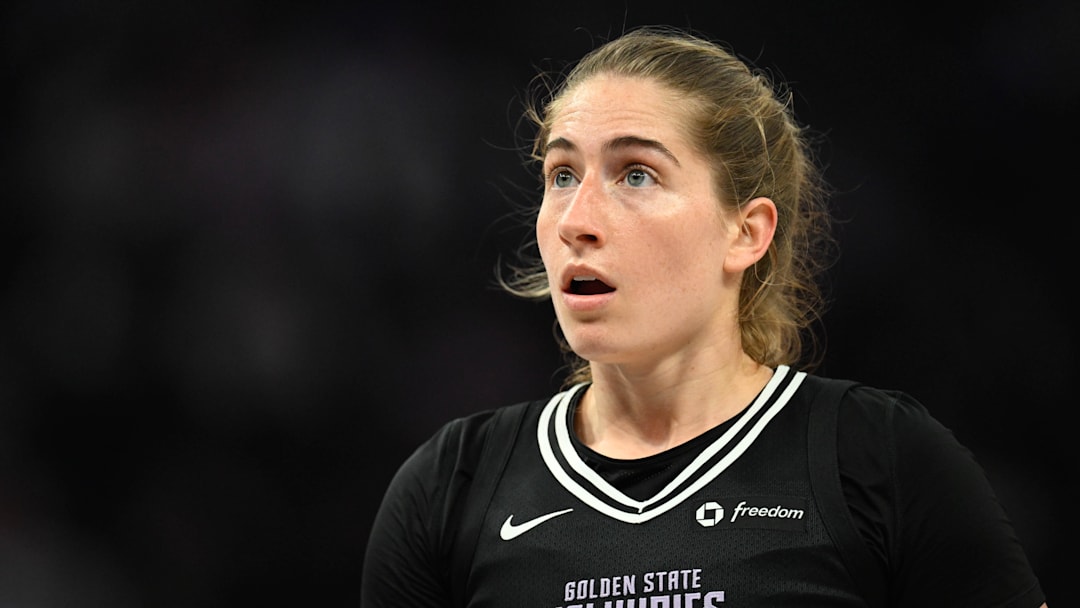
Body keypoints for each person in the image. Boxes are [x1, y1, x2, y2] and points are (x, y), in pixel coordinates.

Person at [361, 25, 1049, 607]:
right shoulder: (451, 485)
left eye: (637, 174)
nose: (576, 220)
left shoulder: (880, 460)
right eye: (561, 175)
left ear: (746, 233)